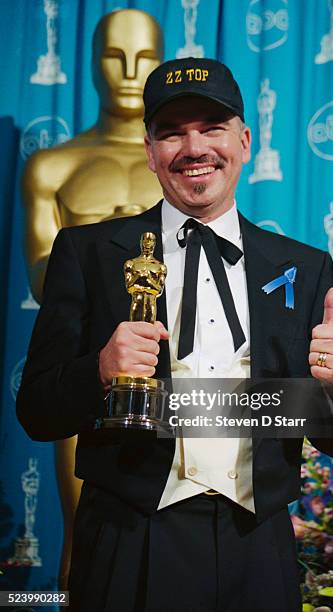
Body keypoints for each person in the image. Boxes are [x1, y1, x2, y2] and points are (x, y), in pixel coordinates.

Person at [17, 57, 333, 612]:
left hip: (259, 550)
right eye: (172, 132)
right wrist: (100, 370)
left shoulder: (305, 268)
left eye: (212, 127)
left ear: (246, 140)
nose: (194, 147)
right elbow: (36, 411)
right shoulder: (87, 253)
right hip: (129, 542)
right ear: (150, 150)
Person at [21, 8, 163, 587]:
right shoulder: (54, 167)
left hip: (171, 373)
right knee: (84, 537)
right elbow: (40, 282)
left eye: (144, 56)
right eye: (114, 55)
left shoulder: (187, 168)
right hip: (88, 372)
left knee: (169, 537)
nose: (129, 71)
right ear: (90, 60)